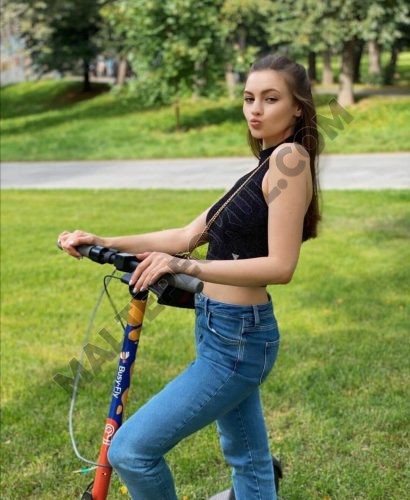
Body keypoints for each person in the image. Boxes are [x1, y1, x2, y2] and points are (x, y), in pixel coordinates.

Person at [58, 53, 321, 500]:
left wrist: (186, 265)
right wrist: (104, 240)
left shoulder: (288, 160)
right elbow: (185, 235)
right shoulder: (261, 168)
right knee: (248, 457)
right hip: (219, 328)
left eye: (270, 99)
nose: (255, 109)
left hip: (239, 339)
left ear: (297, 108)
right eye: (249, 98)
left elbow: (281, 266)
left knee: (131, 451)